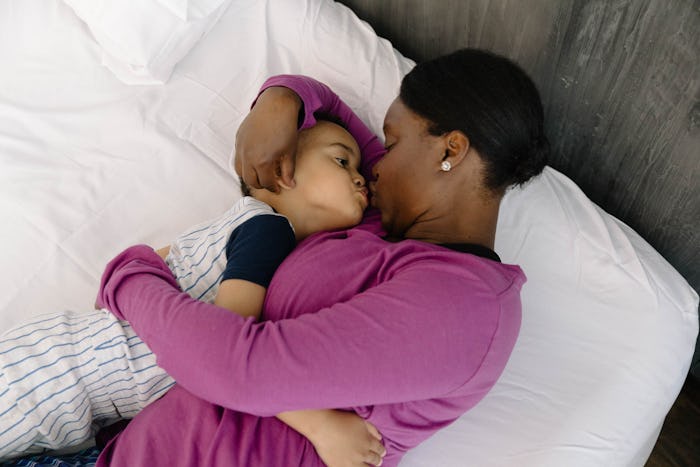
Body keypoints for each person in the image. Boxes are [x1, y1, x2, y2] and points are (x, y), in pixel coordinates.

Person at [91, 48, 549, 466]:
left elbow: (241, 371)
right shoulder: (376, 218)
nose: (374, 167)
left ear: (450, 149)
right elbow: (325, 107)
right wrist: (280, 98)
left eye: (389, 146)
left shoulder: (465, 308)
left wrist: (130, 279)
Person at [0, 120, 386, 466]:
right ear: (282, 172)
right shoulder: (269, 232)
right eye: (341, 162)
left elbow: (146, 267)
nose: (360, 179)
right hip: (49, 381)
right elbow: (224, 356)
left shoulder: (238, 227)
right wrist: (320, 426)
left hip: (60, 372)